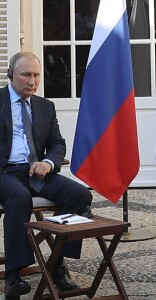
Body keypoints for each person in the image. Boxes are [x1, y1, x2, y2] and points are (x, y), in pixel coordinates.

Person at [0, 51, 93, 298]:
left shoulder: (45, 106)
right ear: (11, 75)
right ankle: (13, 274)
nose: (32, 81)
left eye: (36, 75)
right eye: (26, 75)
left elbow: (57, 144)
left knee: (80, 195)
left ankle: (56, 263)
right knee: (20, 198)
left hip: (36, 171)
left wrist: (49, 163)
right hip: (4, 172)